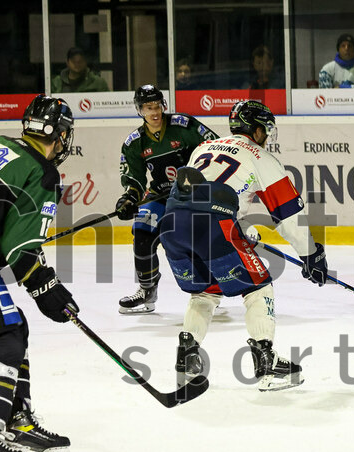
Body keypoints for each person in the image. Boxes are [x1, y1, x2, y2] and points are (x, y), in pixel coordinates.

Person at [159, 100, 329, 392]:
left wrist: (235, 226)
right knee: (258, 286)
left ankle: (187, 356)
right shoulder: (261, 158)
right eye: (265, 129)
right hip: (213, 226)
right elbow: (289, 218)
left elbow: (199, 193)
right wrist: (311, 254)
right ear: (258, 129)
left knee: (206, 290)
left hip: (172, 225)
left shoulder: (204, 147)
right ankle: (267, 363)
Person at [0, 95, 79, 452]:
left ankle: (16, 419)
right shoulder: (42, 172)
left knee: (15, 326)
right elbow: (19, 251)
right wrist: (49, 290)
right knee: (6, 337)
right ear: (60, 136)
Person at [115, 85, 215, 314]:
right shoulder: (134, 143)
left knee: (192, 236)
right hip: (160, 196)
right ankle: (147, 290)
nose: (155, 112)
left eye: (157, 106)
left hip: (192, 196)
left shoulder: (185, 125)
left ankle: (209, 287)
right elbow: (134, 178)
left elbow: (215, 150)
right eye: (148, 108)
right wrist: (129, 198)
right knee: (141, 233)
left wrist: (198, 178)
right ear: (140, 110)